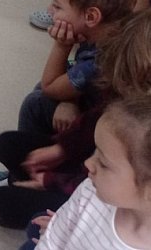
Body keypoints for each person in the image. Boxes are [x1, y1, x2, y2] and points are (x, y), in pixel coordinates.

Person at [0, 6, 151, 230]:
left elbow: (98, 185)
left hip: (97, 194)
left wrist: (52, 180)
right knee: (8, 143)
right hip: (89, 170)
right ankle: (20, 181)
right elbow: (91, 127)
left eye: (58, 5)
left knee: (6, 202)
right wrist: (61, 149)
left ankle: (22, 187)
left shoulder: (140, 133)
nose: (50, 10)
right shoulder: (129, 97)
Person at [0, 0, 135, 191]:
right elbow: (71, 77)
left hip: (97, 140)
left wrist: (61, 45)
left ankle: (21, 178)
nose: (50, 10)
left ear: (91, 16)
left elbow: (51, 85)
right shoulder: (108, 34)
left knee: (37, 102)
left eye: (57, 6)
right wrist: (70, 99)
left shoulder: (100, 60)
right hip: (96, 118)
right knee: (43, 93)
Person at [29, 97, 151, 249]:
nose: (88, 163)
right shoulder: (90, 191)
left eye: (103, 164)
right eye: (95, 151)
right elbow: (50, 243)